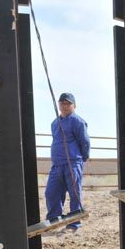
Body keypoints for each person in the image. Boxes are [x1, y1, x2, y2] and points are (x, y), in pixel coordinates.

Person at [45, 93, 90, 231]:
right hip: (57, 165)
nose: (64, 106)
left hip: (72, 163)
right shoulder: (54, 123)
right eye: (62, 103)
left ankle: (74, 224)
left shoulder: (78, 122)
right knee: (51, 193)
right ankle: (54, 220)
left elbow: (85, 142)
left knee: (74, 193)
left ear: (74, 105)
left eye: (68, 103)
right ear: (58, 105)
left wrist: (82, 158)